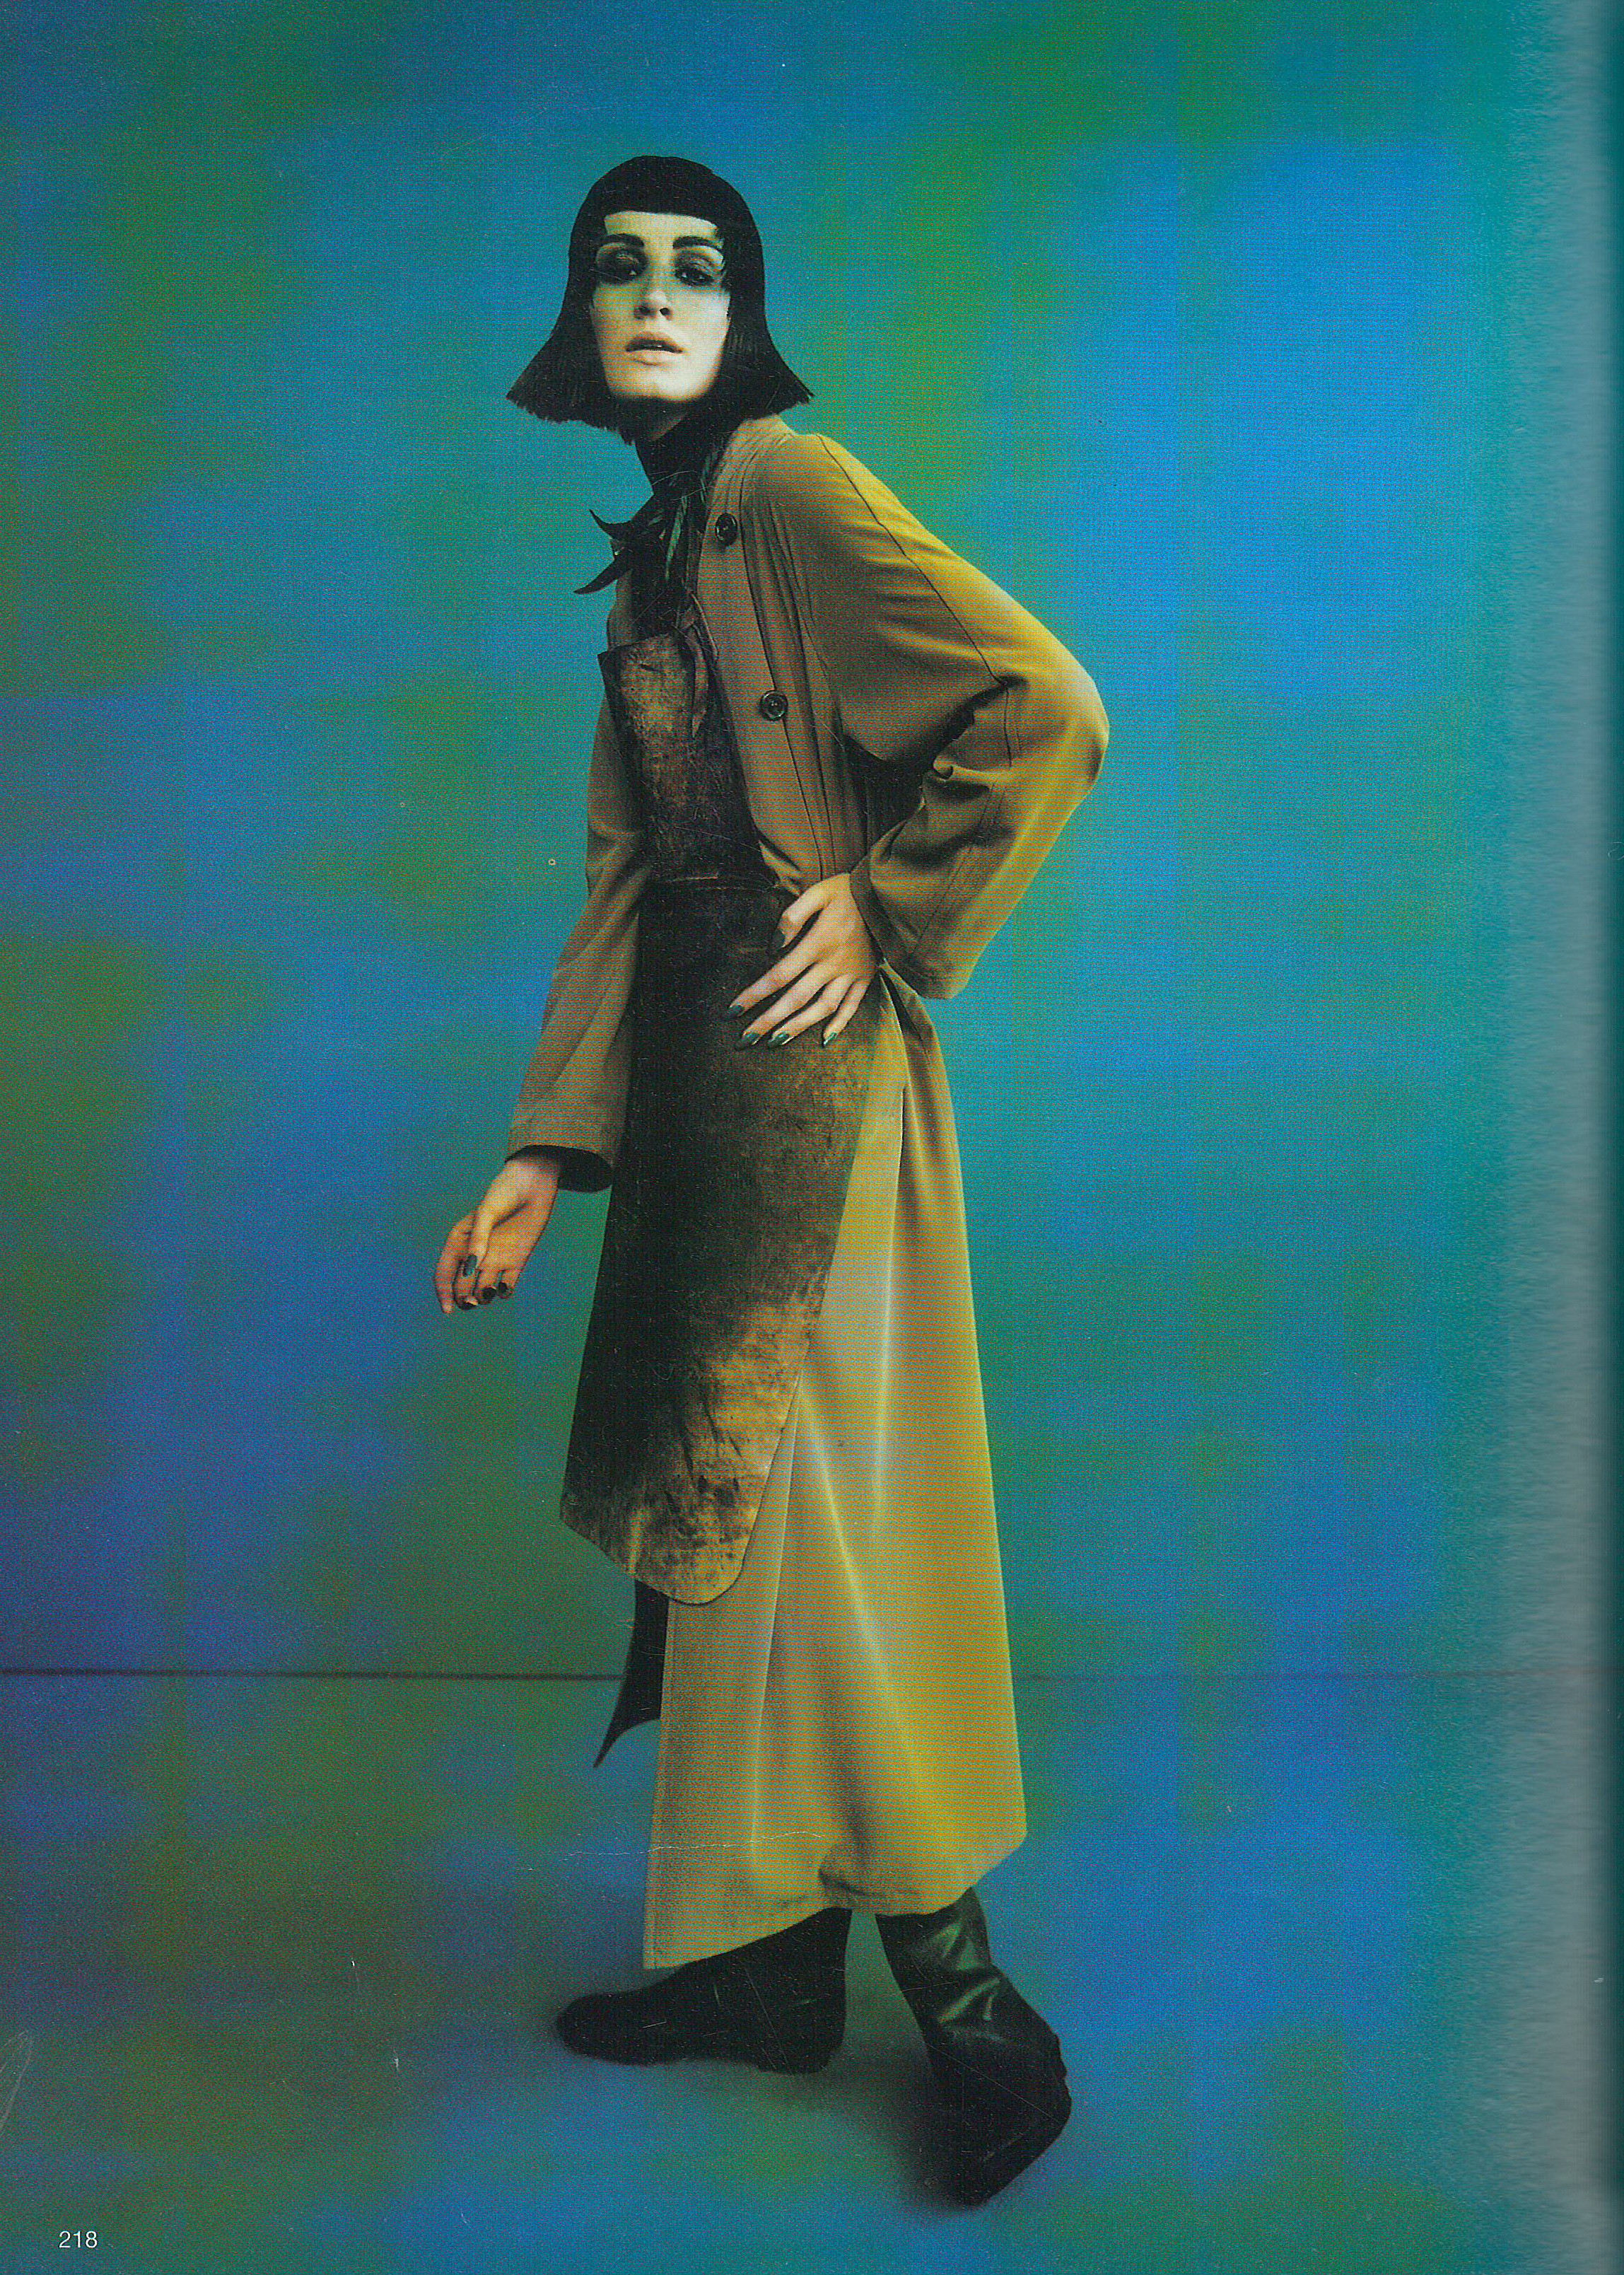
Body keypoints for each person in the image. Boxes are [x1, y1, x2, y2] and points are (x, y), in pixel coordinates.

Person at [435, 156, 1109, 2206]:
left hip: (824, 1103)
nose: (657, 295)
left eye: (698, 271)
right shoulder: (660, 540)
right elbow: (632, 875)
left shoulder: (792, 485)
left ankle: (977, 2014)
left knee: (830, 1546)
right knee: (710, 1530)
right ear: (580, 312)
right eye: (620, 267)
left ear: (745, 319)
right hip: (695, 1101)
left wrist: (889, 906)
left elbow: (1045, 706)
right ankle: (766, 1972)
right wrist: (540, 1153)